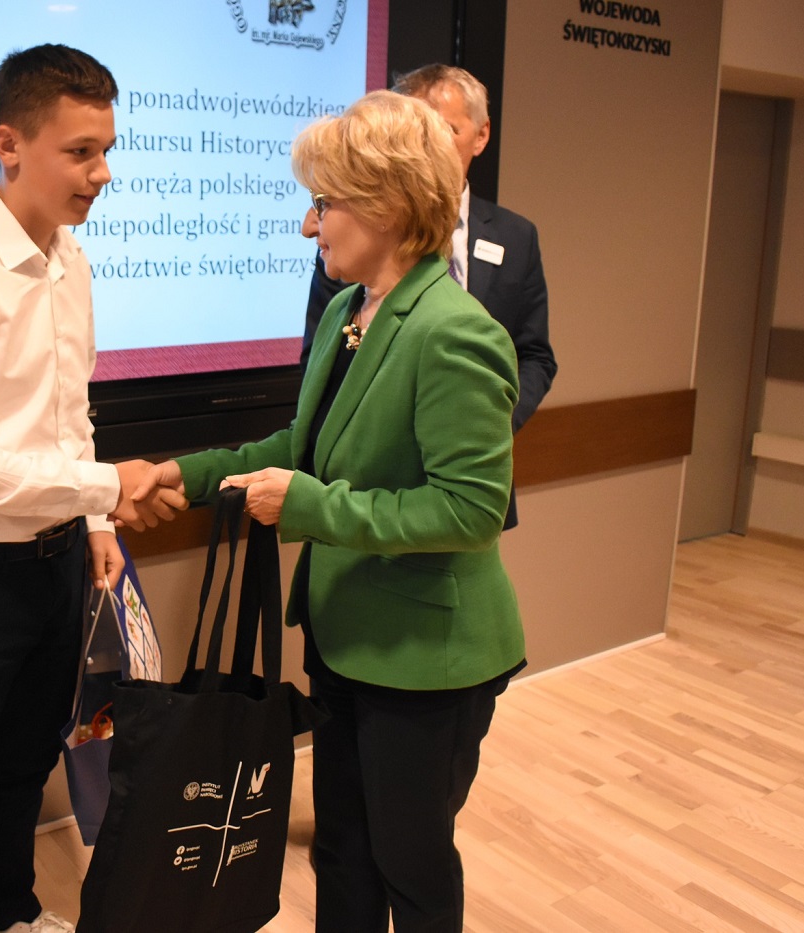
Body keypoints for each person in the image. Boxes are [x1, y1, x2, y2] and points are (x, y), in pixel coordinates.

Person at [136, 90, 525, 932]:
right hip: (349, 637)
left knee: (410, 865)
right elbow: (301, 445)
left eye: (325, 201)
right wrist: (183, 474)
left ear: (388, 204)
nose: (310, 224)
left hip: (427, 660)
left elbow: (469, 511)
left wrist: (312, 507)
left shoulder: (454, 332)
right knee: (342, 848)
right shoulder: (351, 312)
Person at [0, 44, 182, 933]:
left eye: (107, 150)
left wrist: (95, 522)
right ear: (9, 144)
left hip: (56, 564)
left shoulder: (70, 260)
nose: (103, 173)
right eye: (81, 151)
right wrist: (108, 484)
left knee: (23, 766)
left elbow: (68, 411)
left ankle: (8, 915)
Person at [302, 63, 556, 529]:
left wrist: (481, 424)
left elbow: (534, 354)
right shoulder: (347, 295)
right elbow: (322, 383)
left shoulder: (512, 243)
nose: (425, 146)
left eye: (442, 131)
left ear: (480, 135)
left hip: (441, 512)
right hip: (358, 501)